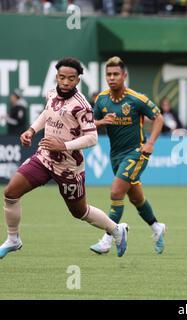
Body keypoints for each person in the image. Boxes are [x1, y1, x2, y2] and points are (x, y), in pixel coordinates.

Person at [0, 57, 128, 259]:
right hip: (44, 158)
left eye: (71, 78)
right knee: (10, 193)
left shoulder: (82, 105)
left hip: (69, 168)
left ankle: (116, 230)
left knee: (80, 212)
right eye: (62, 77)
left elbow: (92, 137)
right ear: (56, 77)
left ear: (78, 80)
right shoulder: (51, 94)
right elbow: (46, 114)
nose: (66, 82)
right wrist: (31, 131)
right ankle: (13, 239)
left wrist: (64, 145)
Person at [90, 56, 166, 255]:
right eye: (108, 74)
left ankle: (110, 237)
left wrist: (150, 143)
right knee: (136, 198)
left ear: (124, 76)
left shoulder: (136, 99)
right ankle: (156, 227)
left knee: (116, 192)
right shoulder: (101, 99)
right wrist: (101, 122)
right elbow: (89, 122)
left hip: (137, 152)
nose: (112, 78)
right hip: (115, 155)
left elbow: (158, 118)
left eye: (116, 74)